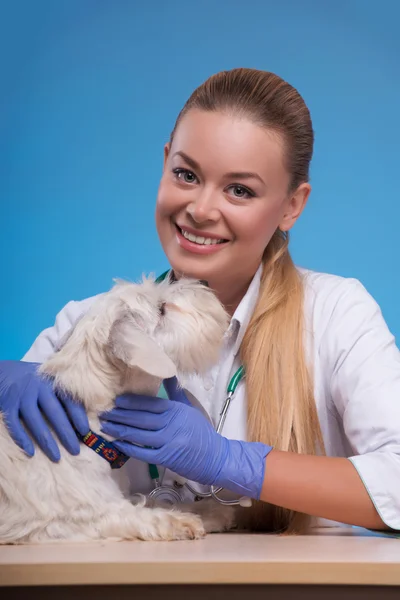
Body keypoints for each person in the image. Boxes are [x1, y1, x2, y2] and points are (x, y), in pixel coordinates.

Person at [1, 68, 399, 534]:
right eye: (186, 174)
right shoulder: (85, 324)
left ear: (292, 205)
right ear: (165, 162)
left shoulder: (335, 315)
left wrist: (231, 461)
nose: (202, 209)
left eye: (239, 190)